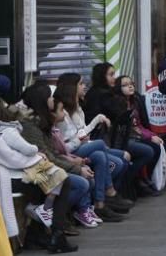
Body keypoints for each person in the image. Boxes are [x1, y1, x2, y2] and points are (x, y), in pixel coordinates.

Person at [19, 82, 98, 251]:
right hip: (31, 171)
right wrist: (76, 168)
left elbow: (52, 154)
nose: (52, 99)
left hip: (40, 167)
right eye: (49, 96)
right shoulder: (31, 125)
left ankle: (45, 231)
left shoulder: (40, 122)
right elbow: (47, 157)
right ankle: (56, 232)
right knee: (69, 182)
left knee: (67, 180)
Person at [53, 74, 132, 215]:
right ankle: (110, 193)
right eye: (81, 84)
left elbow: (83, 132)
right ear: (72, 88)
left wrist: (93, 125)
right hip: (72, 153)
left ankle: (100, 202)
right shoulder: (62, 114)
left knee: (103, 155)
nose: (84, 86)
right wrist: (82, 138)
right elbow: (65, 146)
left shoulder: (77, 108)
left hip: (84, 147)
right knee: (103, 146)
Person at [112, 75, 163, 196]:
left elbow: (139, 125)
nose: (130, 86)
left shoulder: (135, 101)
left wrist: (152, 135)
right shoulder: (118, 104)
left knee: (157, 147)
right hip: (124, 139)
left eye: (131, 83)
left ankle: (145, 179)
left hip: (136, 136)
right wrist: (149, 137)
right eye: (125, 85)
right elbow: (128, 129)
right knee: (148, 151)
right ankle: (134, 179)